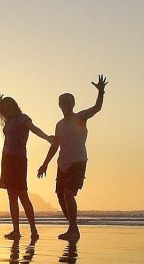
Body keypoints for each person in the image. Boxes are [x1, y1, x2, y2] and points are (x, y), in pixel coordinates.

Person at [38, 74, 108, 241]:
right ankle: (73, 228)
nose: (66, 105)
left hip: (78, 162)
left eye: (69, 102)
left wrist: (101, 93)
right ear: (59, 105)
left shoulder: (80, 117)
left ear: (74, 104)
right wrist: (45, 164)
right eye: (64, 102)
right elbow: (55, 145)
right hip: (62, 163)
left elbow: (96, 108)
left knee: (69, 194)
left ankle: (73, 229)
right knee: (60, 197)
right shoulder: (59, 124)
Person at [0, 93, 54, 240]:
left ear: (15, 106)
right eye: (5, 108)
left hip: (18, 160)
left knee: (22, 195)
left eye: (9, 106)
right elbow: (3, 112)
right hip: (6, 159)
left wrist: (47, 137)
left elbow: (34, 128)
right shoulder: (7, 121)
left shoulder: (23, 119)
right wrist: (0, 104)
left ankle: (34, 230)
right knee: (11, 197)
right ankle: (16, 230)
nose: (7, 110)